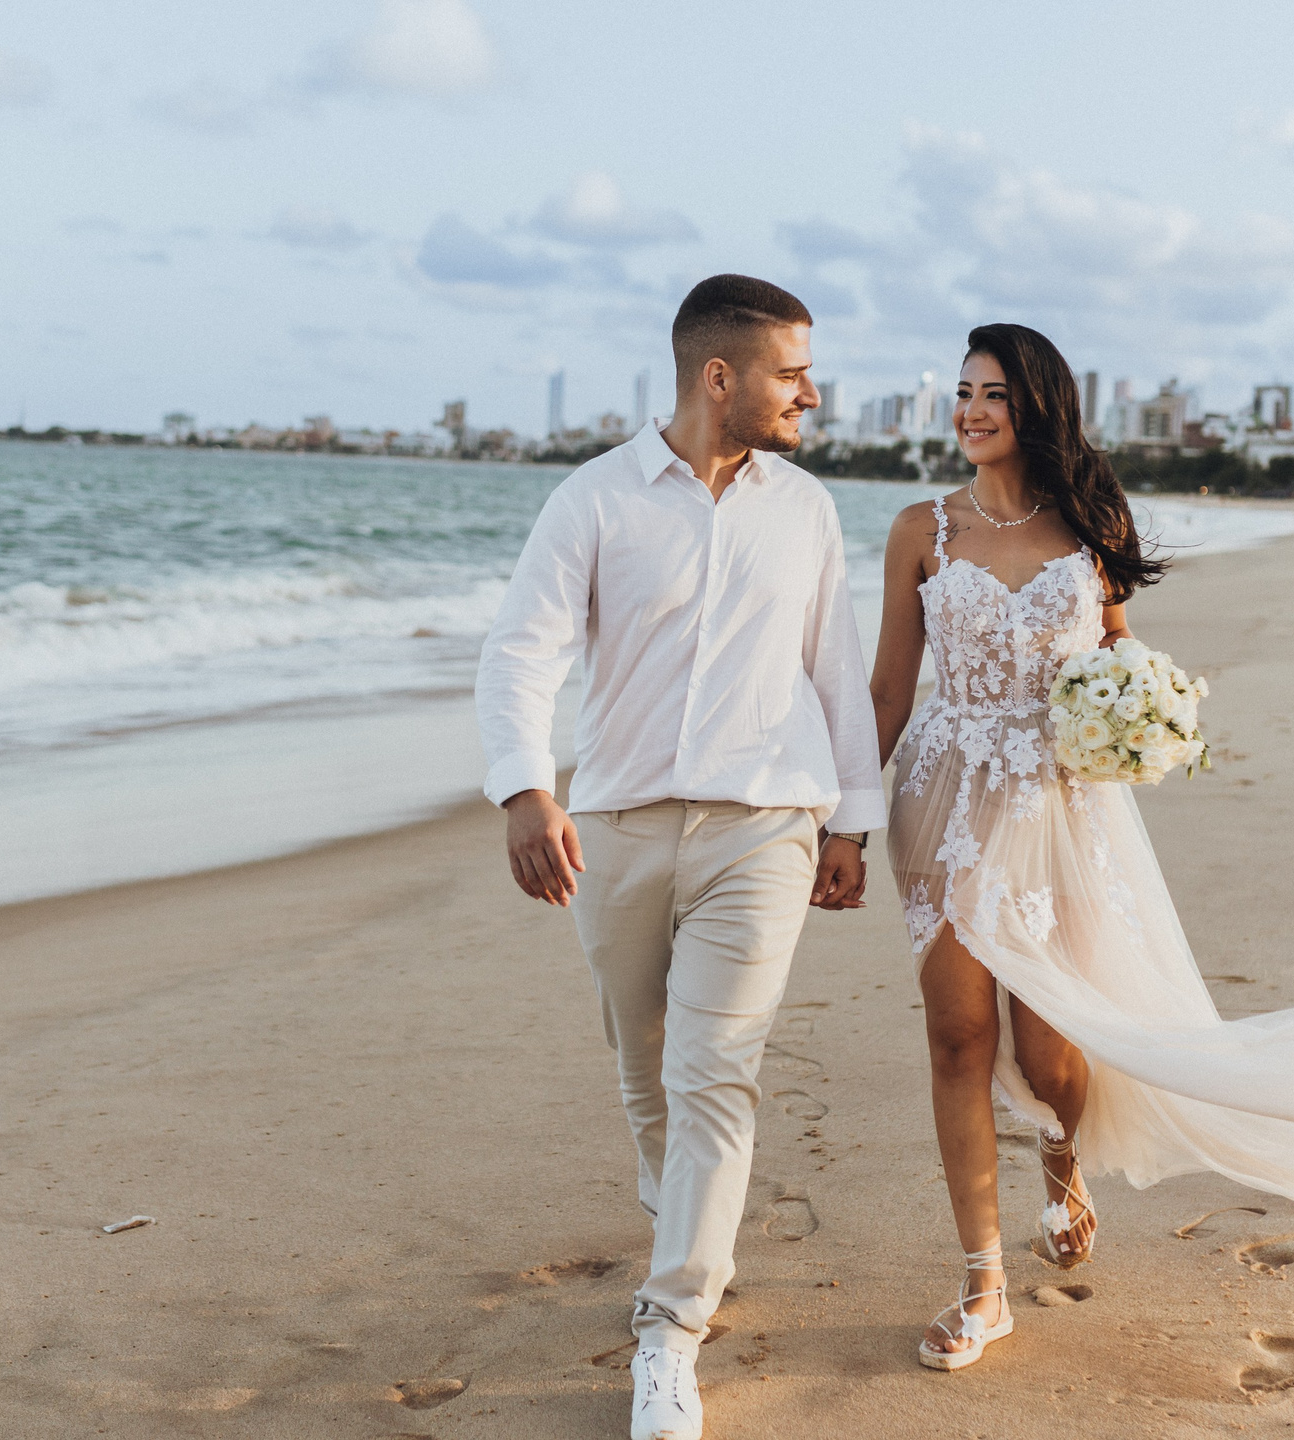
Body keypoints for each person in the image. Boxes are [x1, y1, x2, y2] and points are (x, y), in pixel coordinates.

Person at [865, 323, 1294, 1371]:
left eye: (995, 396)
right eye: (964, 394)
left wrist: (1140, 715)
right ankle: (982, 1284)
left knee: (1051, 1051)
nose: (973, 412)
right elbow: (891, 688)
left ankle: (1061, 1153)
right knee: (956, 1037)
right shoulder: (918, 529)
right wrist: (840, 815)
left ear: (1037, 409)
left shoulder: (1086, 528)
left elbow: (1116, 658)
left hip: (1060, 811)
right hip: (943, 796)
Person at [476, 275, 883, 1440]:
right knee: (643, 1059)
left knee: (716, 1073)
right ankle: (682, 1218)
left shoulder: (804, 508)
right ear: (721, 377)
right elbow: (521, 653)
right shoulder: (593, 500)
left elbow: (832, 666)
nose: (811, 392)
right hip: (613, 828)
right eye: (791, 372)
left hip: (763, 829)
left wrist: (846, 822)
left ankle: (669, 1332)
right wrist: (523, 791)